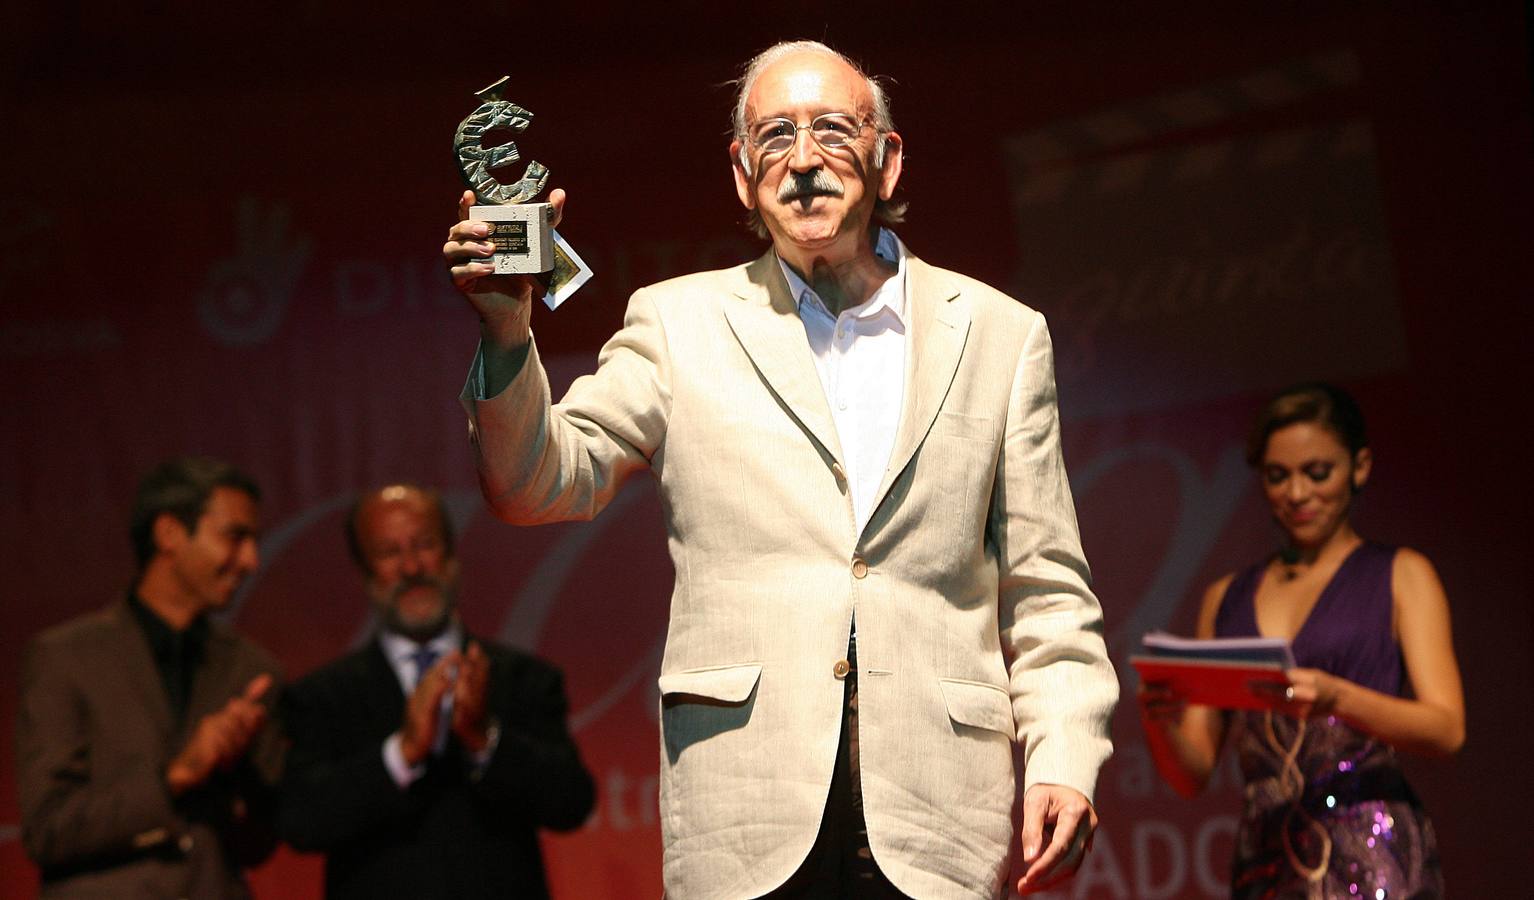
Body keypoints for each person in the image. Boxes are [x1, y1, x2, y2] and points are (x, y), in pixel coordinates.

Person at [443, 40, 1118, 899]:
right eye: (774, 137)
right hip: (745, 809)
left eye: (834, 131)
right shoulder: (677, 322)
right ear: (741, 171)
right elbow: (538, 483)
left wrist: (1065, 755)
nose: (803, 161)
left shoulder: (998, 333)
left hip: (938, 811)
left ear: (887, 156)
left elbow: (1047, 587)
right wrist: (507, 334)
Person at [1139, 383, 1465, 899]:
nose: (1296, 494)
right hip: (1266, 861)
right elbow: (1193, 773)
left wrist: (1339, 698)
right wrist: (1160, 723)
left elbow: (1447, 728)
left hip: (1372, 855)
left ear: (1359, 467)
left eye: (1317, 473)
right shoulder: (1226, 597)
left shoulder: (1400, 575)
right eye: (1277, 476)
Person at [277, 484, 594, 900]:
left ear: (451, 555)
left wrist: (485, 738)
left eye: (424, 544)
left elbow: (570, 803)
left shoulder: (522, 678)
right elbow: (301, 822)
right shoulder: (322, 697)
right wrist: (401, 753)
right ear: (364, 570)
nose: (411, 567)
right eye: (389, 552)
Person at [15, 457, 283, 898]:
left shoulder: (253, 671)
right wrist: (175, 777)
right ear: (169, 534)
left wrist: (243, 774)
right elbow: (48, 831)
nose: (252, 560)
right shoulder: (64, 658)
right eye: (235, 538)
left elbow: (256, 846)